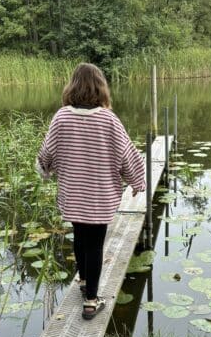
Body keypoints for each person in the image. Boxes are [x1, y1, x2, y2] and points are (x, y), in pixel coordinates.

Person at [36, 63, 146, 320]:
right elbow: (128, 156)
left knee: (80, 237)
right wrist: (137, 182)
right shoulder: (109, 119)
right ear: (100, 88)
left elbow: (46, 155)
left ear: (72, 86)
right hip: (99, 195)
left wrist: (45, 169)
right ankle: (91, 301)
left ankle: (84, 281)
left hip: (73, 193)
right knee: (95, 245)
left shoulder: (61, 117)